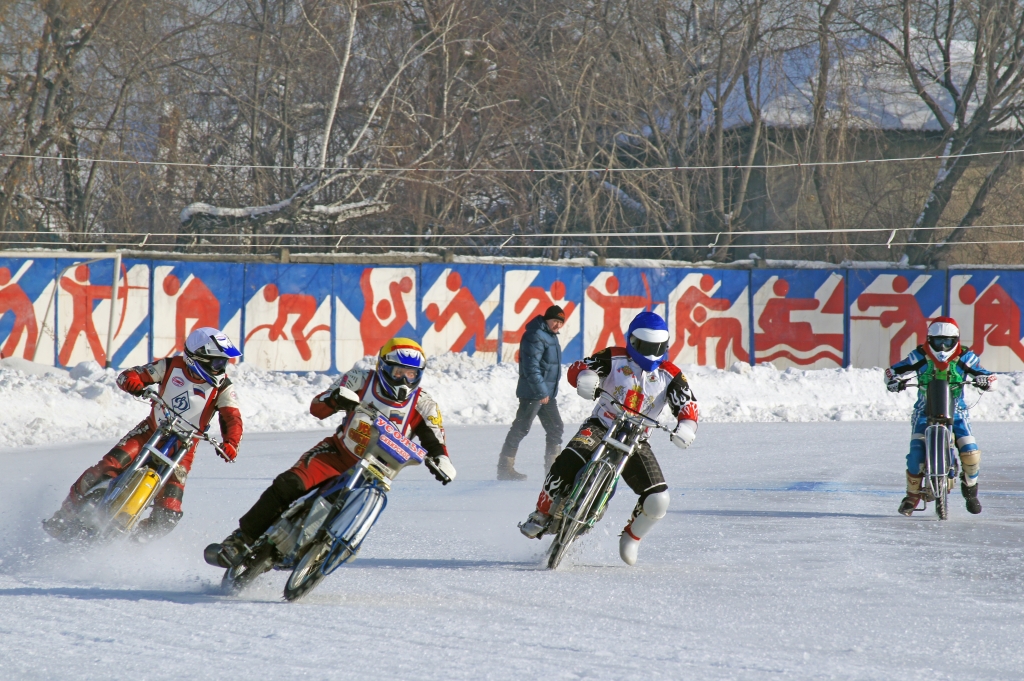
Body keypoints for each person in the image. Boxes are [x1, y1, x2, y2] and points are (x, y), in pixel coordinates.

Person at [205, 337, 455, 568]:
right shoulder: (360, 378)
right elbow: (318, 406)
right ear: (383, 367)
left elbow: (436, 440)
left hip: (378, 474)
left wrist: (442, 460)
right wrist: (336, 399)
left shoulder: (425, 404)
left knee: (355, 522)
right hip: (337, 453)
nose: (403, 381)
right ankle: (239, 540)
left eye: (411, 375)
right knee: (288, 484)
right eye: (398, 373)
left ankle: (336, 544)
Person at [519, 311, 699, 566]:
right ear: (633, 341)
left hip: (637, 440)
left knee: (658, 499)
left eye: (658, 347)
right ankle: (541, 513)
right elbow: (580, 367)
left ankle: (632, 537)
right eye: (646, 346)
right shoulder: (614, 357)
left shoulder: (671, 375)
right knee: (567, 461)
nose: (651, 353)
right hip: (602, 425)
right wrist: (585, 378)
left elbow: (688, 404)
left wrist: (687, 426)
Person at [43, 327, 244, 541]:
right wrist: (133, 382)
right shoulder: (170, 366)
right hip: (150, 431)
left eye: (223, 362)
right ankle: (63, 517)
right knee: (105, 468)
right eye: (217, 362)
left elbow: (232, 416)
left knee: (169, 513)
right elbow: (132, 375)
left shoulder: (223, 388)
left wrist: (231, 442)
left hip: (184, 449)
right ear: (197, 358)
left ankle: (133, 544)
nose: (221, 368)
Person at [885, 317, 994, 516]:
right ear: (929, 339)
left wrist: (984, 380)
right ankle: (912, 495)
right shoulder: (919, 355)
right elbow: (892, 372)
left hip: (957, 410)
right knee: (915, 454)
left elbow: (989, 375)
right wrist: (895, 381)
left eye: (948, 341)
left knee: (970, 452)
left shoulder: (965, 357)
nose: (942, 346)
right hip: (924, 410)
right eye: (937, 341)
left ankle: (970, 489)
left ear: (956, 340)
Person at [497, 305, 566, 481]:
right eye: (555, 321)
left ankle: (553, 471)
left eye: (560, 322)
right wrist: (541, 391)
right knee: (521, 427)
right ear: (547, 319)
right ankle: (505, 468)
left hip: (546, 393)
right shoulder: (535, 335)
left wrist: (546, 391)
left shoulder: (550, 336)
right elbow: (531, 366)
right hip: (533, 392)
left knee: (556, 427)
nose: (557, 325)